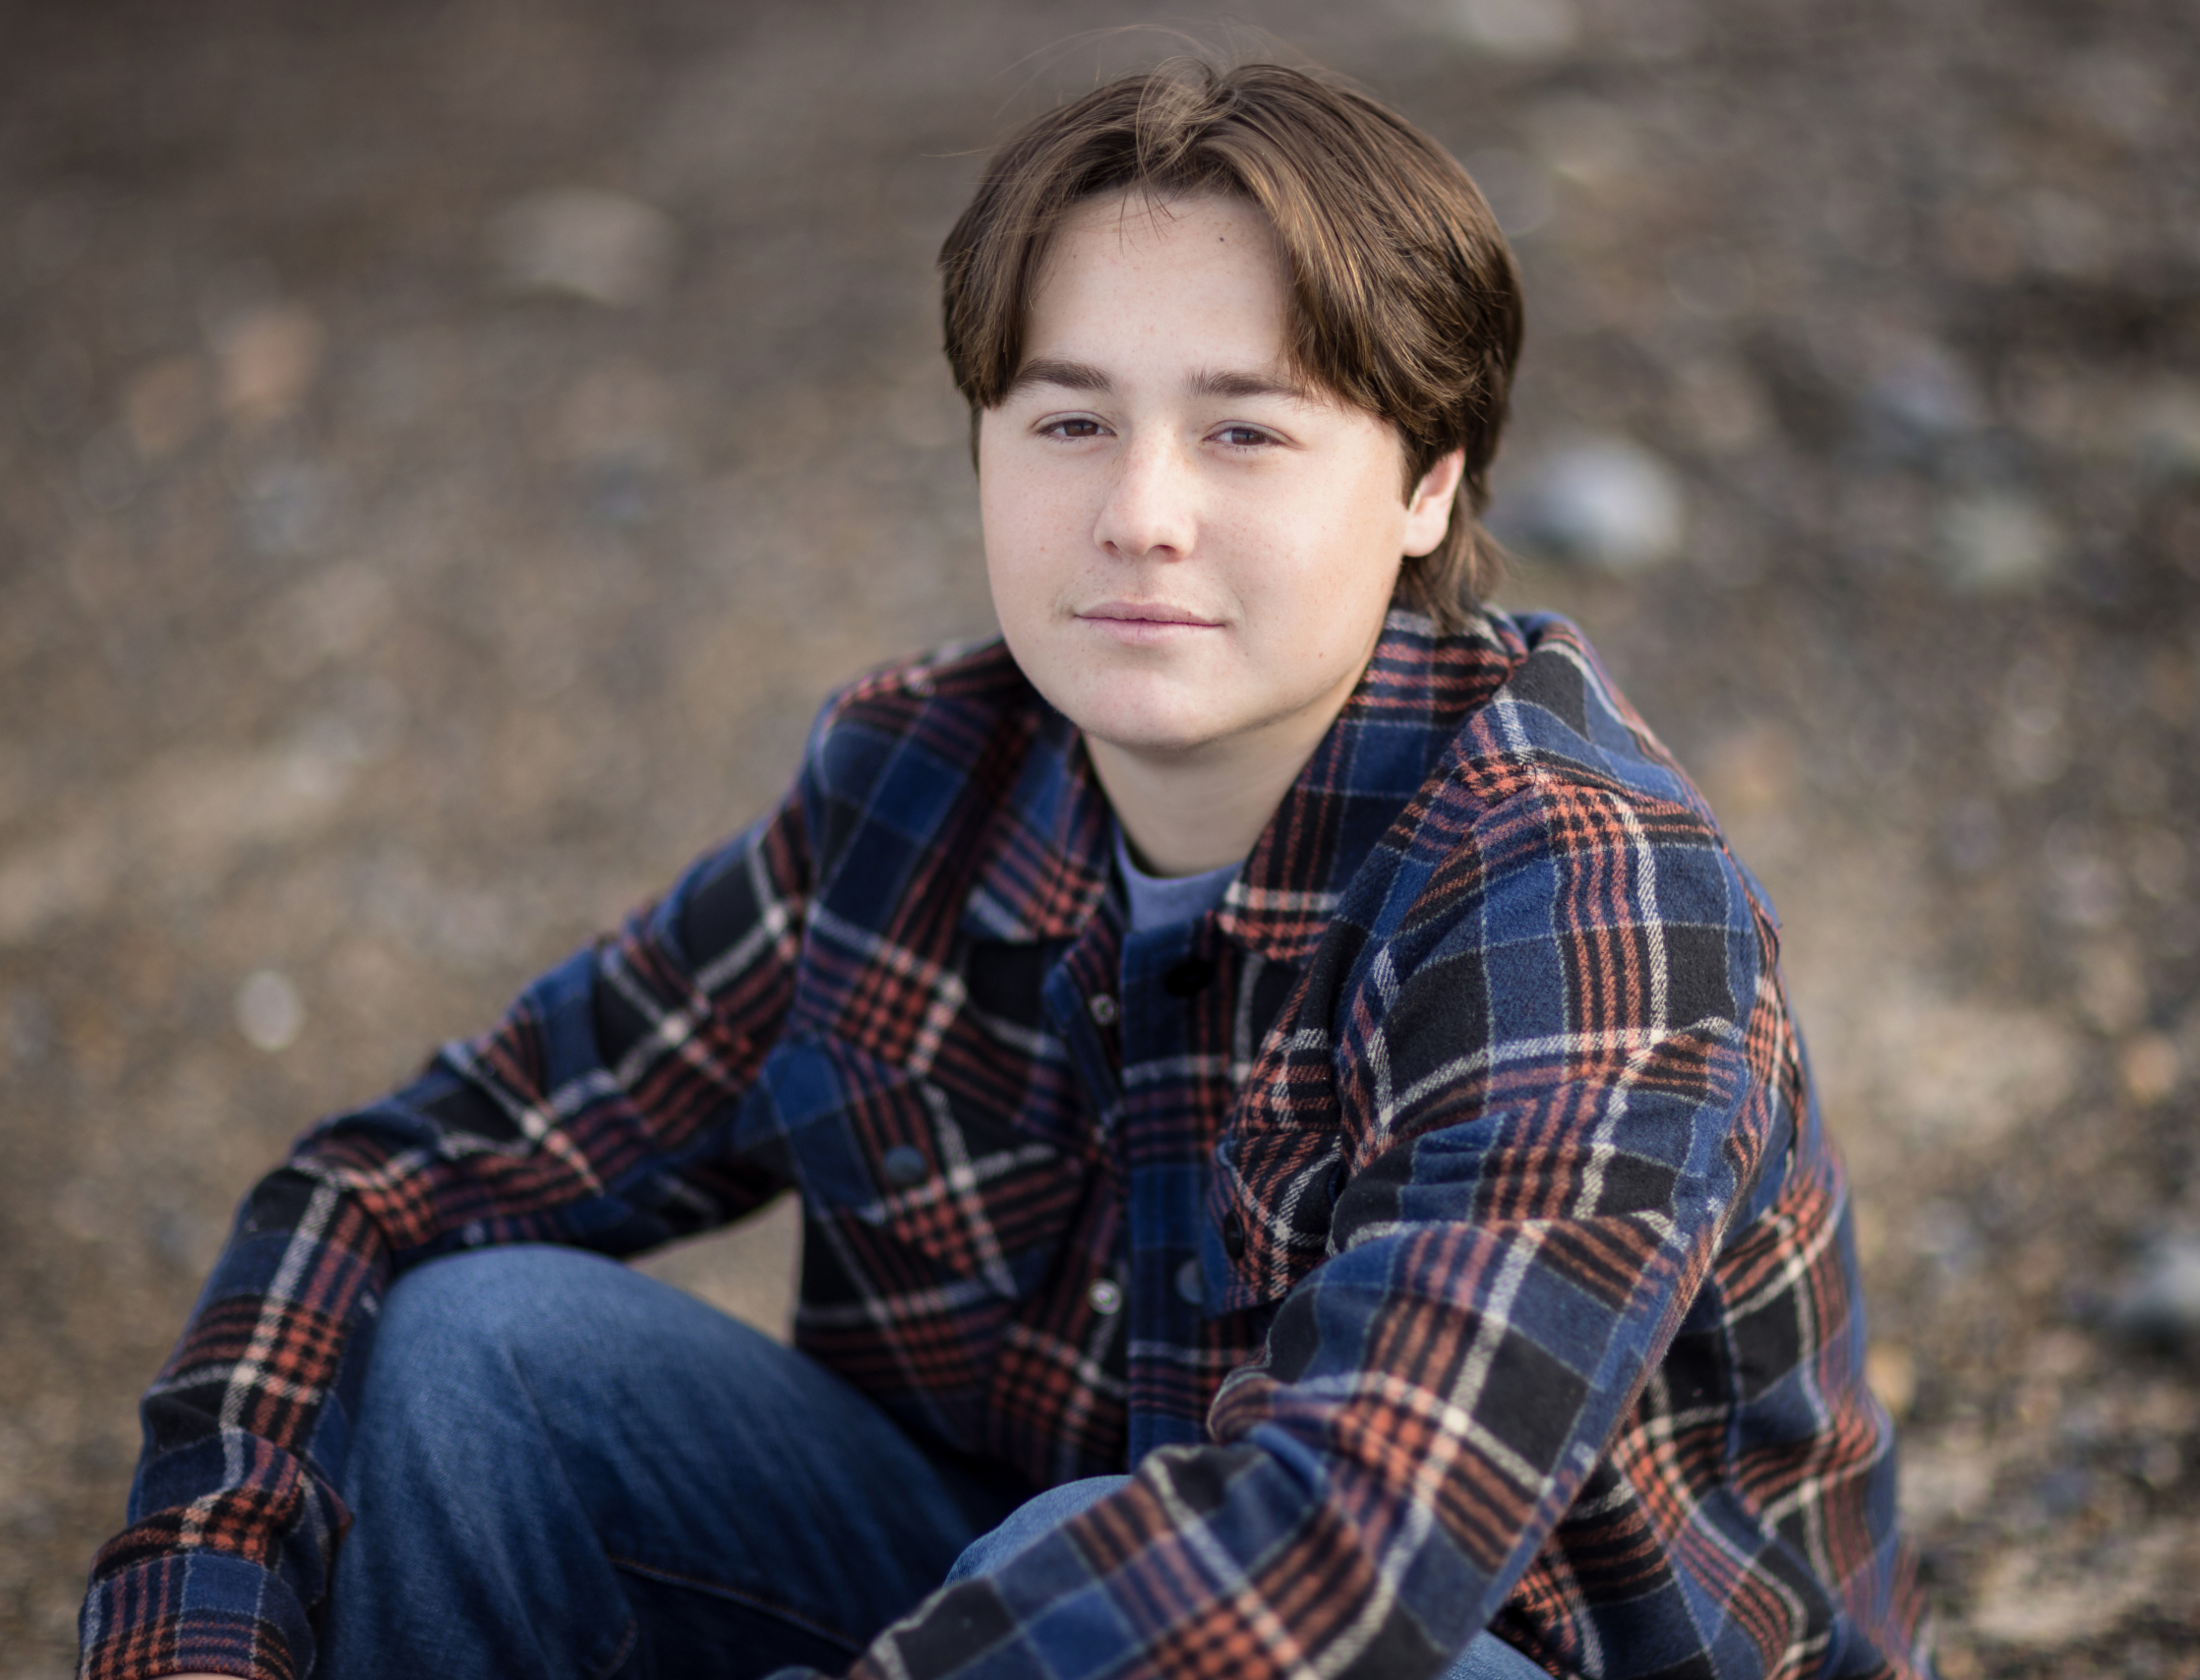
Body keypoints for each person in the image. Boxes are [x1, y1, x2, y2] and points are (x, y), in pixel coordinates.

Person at [81, 59, 1931, 1680]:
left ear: (1429, 481)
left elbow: (1350, 1547)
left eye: (1244, 428)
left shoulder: (1582, 901)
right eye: (1068, 420)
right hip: (1015, 1584)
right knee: (479, 1358)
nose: (1140, 507)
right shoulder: (916, 788)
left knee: (1137, 1572)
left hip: (1447, 1643)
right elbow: (389, 1179)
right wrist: (196, 1611)